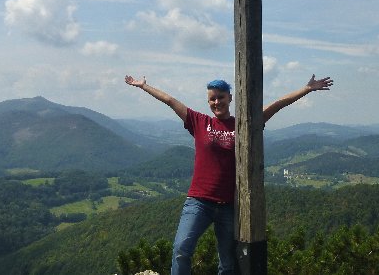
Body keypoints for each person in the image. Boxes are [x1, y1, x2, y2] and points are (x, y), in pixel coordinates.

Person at [124, 74, 333, 274]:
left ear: (230, 98)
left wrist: (306, 89)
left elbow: (277, 104)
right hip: (198, 202)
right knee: (181, 250)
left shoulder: (244, 123)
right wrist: (143, 86)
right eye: (212, 99)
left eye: (220, 97)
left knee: (227, 263)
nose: (216, 102)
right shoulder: (200, 122)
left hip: (228, 206)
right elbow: (170, 100)